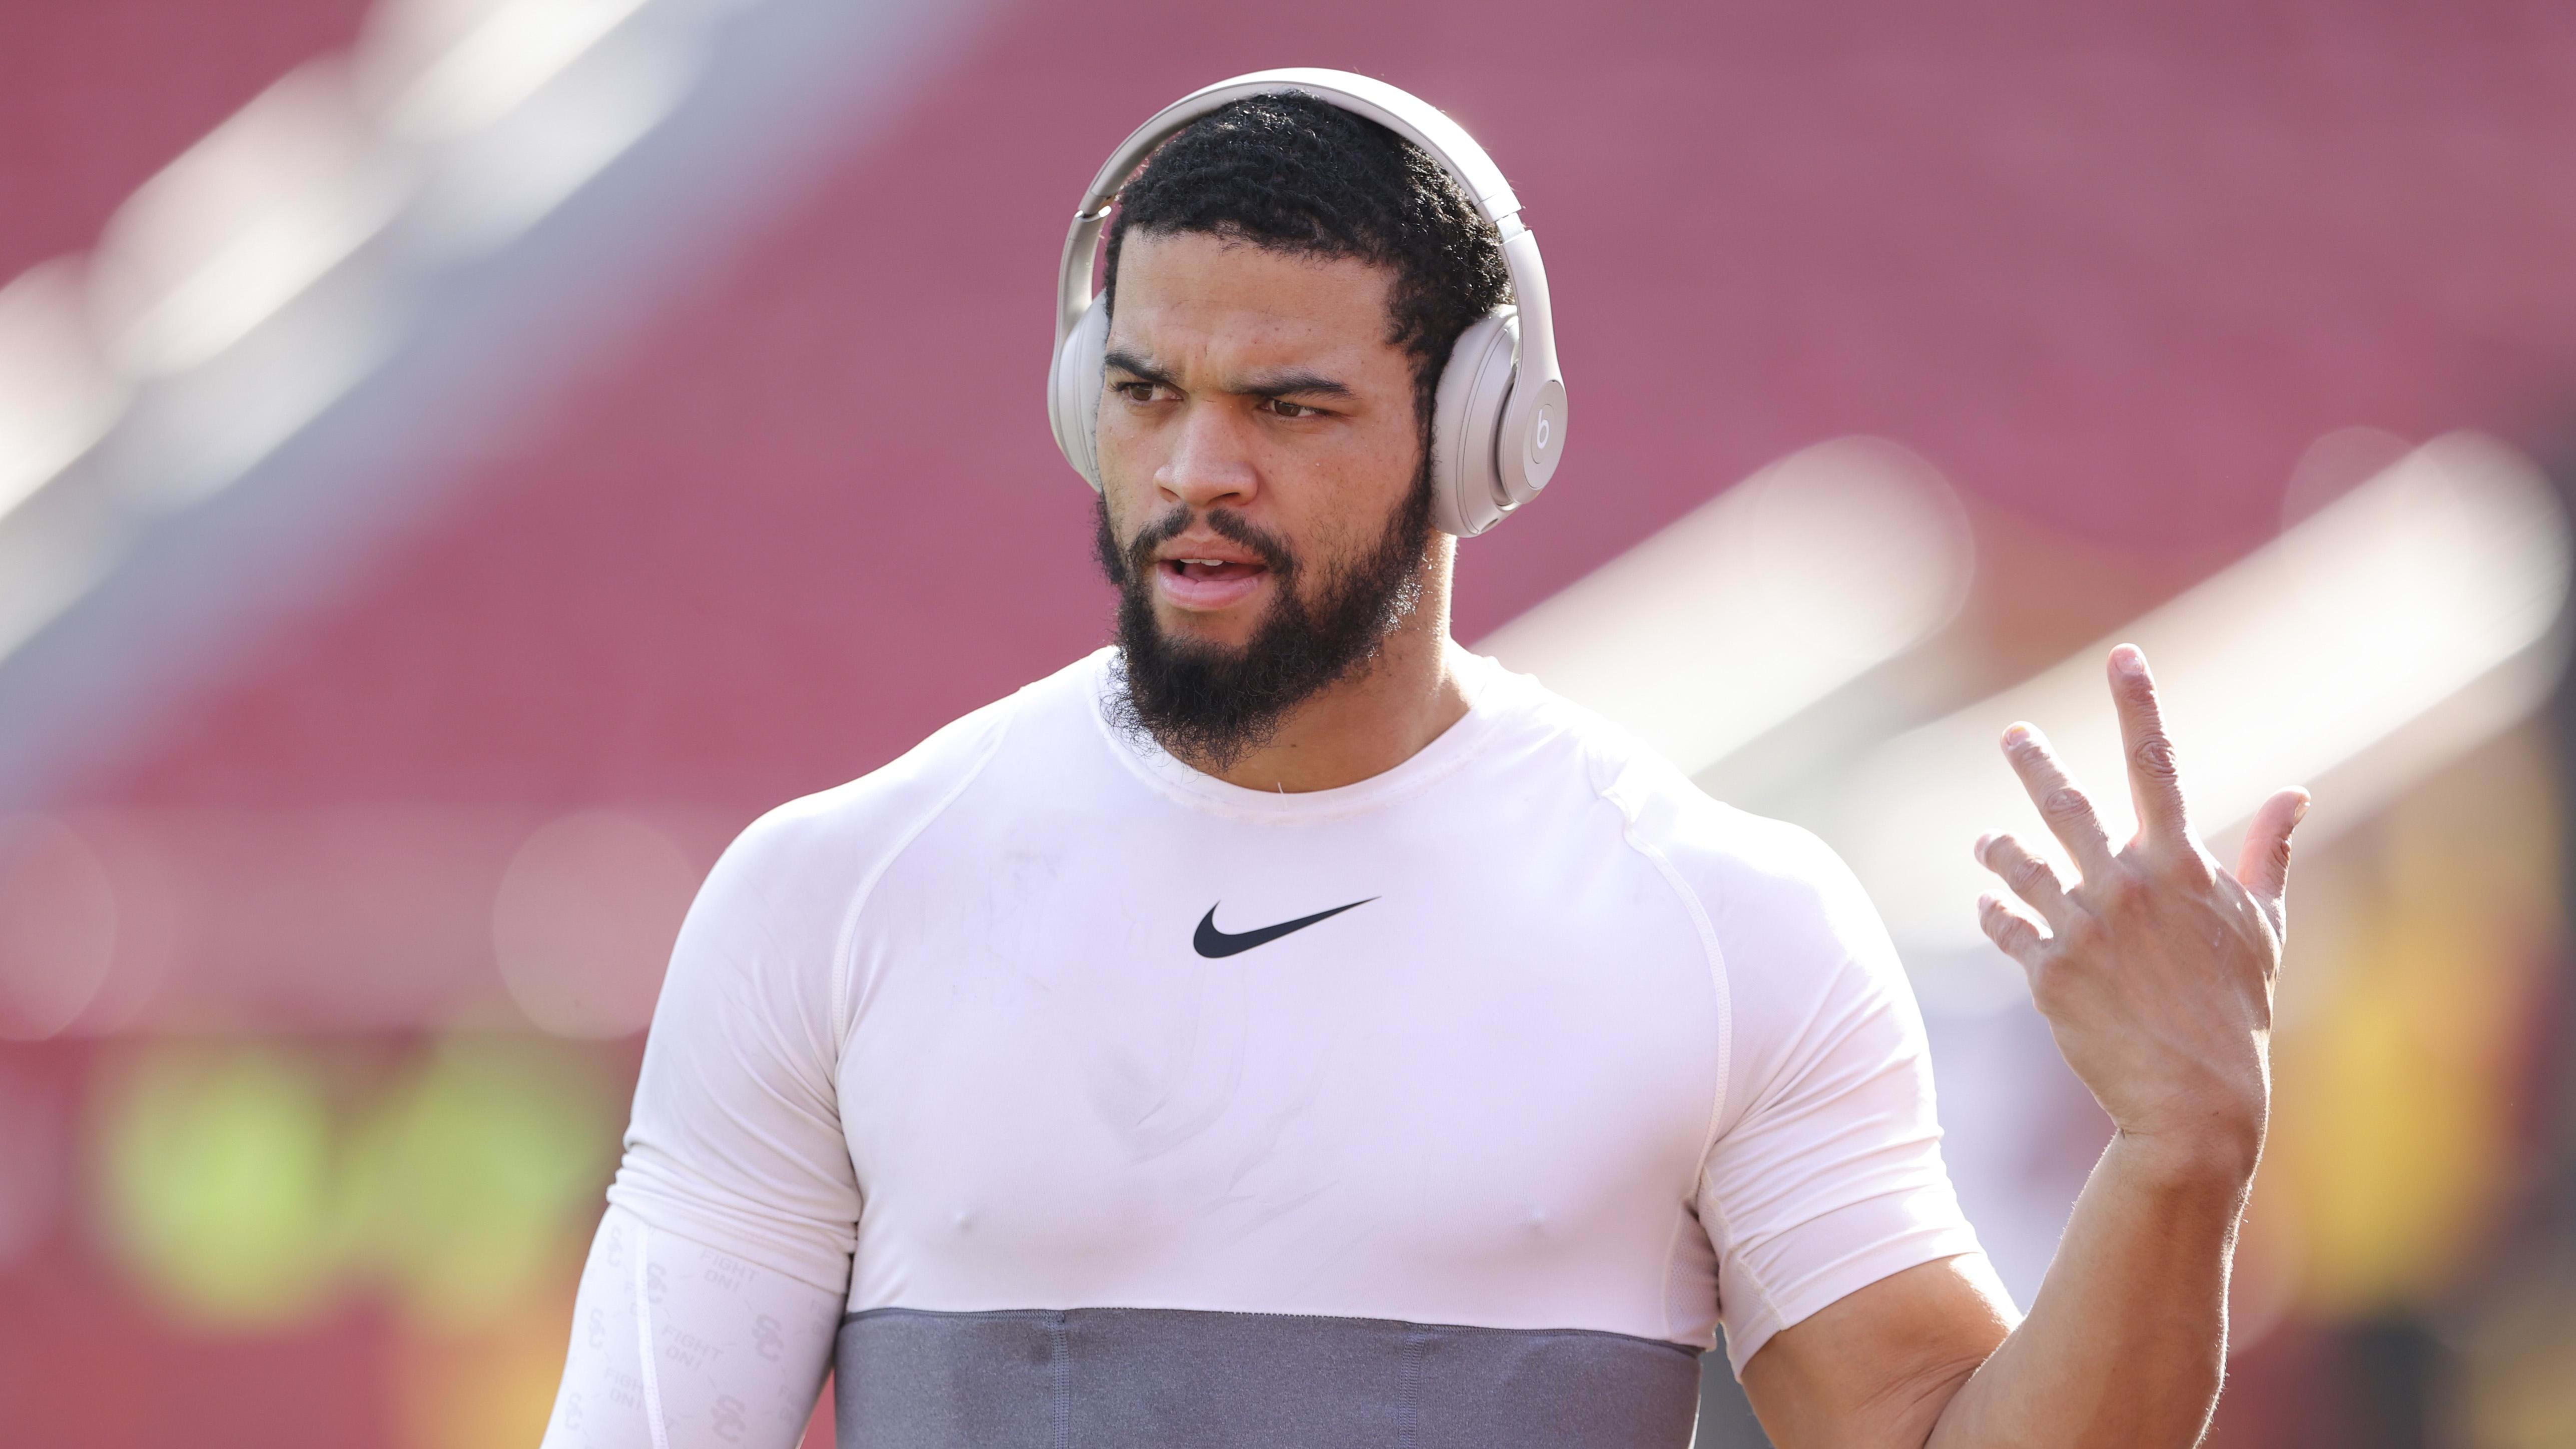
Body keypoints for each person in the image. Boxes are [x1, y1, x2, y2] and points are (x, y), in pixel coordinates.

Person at [539, 72, 2307, 1449]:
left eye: (1287, 406)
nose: (1194, 470)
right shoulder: (834, 898)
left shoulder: (1716, 922)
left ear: (1479, 433)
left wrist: (2178, 1151)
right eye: (1148, 395)